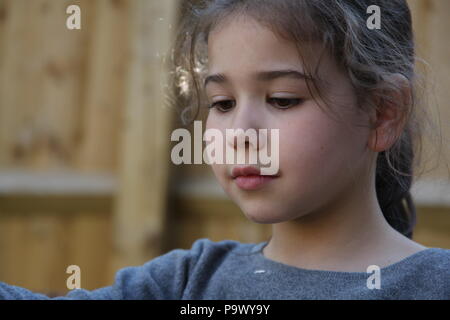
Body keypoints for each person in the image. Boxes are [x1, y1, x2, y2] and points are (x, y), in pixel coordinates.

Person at [1, 0, 449, 299]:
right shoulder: (186, 283)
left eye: (282, 99)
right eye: (222, 103)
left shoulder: (435, 284)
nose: (240, 132)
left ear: (383, 113)